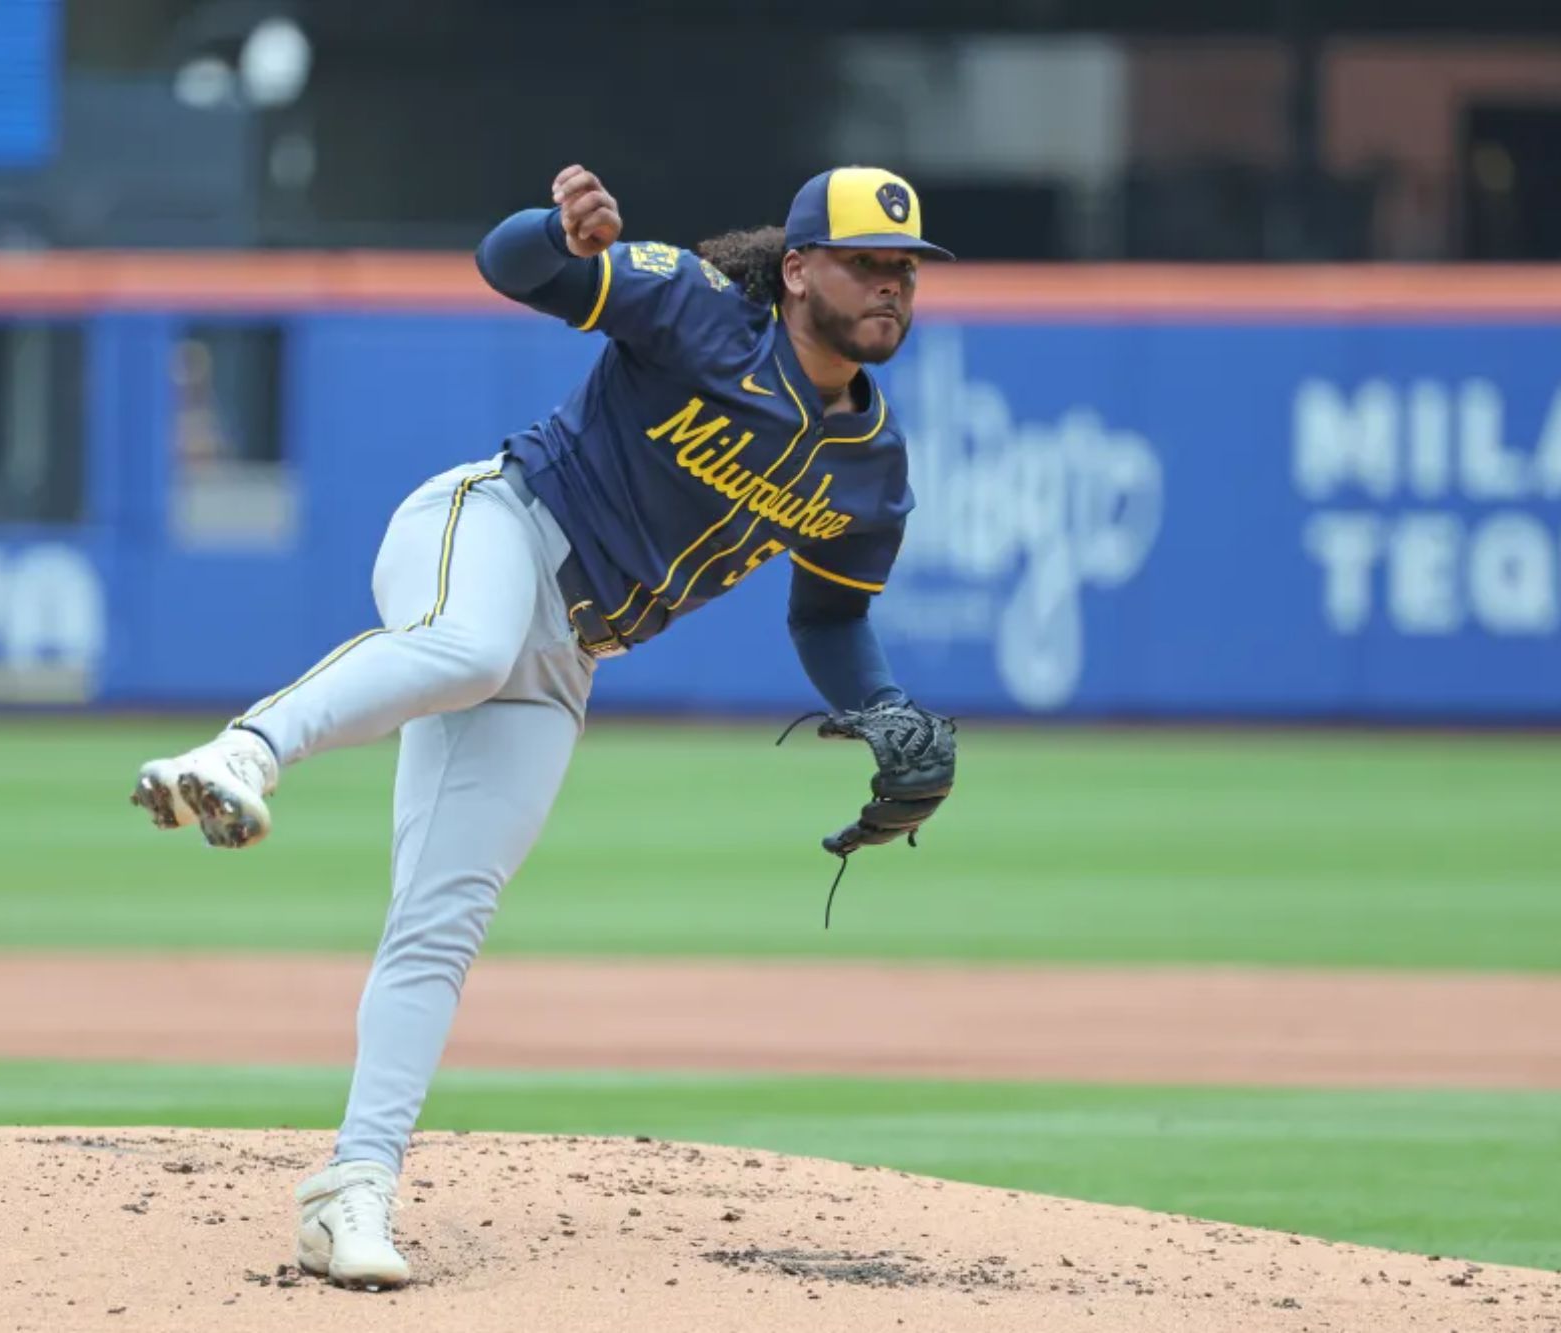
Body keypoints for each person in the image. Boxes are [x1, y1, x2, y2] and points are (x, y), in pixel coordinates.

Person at [130, 163, 959, 1288]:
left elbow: (828, 620)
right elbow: (513, 266)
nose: (890, 288)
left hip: (569, 651)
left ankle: (351, 1189)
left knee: (444, 918)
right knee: (462, 644)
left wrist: (882, 710)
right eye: (868, 263)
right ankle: (238, 752)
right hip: (493, 525)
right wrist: (558, 234)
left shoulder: (872, 469)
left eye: (905, 270)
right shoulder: (699, 309)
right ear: (801, 265)